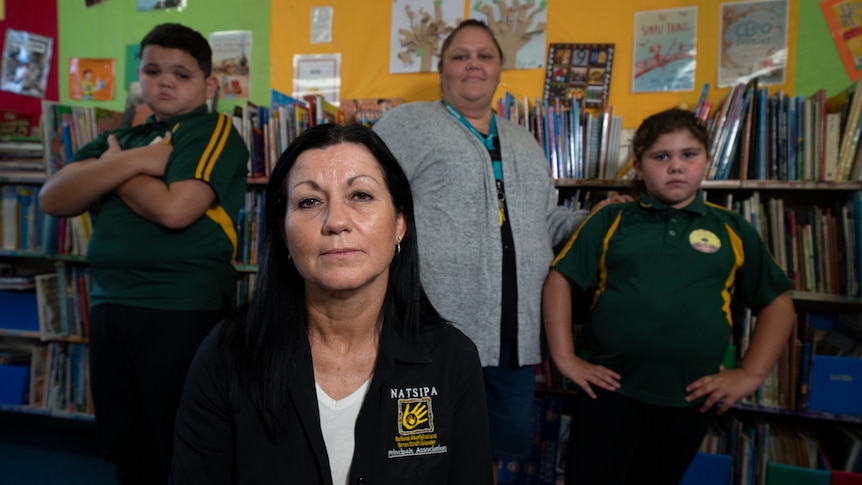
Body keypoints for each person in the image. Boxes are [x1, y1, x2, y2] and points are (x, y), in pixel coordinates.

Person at [169, 123, 492, 484]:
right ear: (283, 232)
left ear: (400, 222)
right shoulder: (226, 355)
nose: (336, 222)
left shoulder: (454, 359)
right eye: (309, 201)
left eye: (361, 196)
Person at [373, 19, 597, 479]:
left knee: (497, 449)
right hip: (432, 328)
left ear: (499, 70)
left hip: (515, 336)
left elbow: (545, 220)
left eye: (484, 56)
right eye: (460, 55)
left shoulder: (525, 141)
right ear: (442, 70)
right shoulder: (408, 124)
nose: (473, 64)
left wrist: (598, 219)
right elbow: (370, 196)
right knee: (420, 449)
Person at [38, 23, 249, 485]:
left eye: (182, 74)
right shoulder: (131, 139)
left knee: (183, 444)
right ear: (140, 77)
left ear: (209, 85)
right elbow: (53, 199)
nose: (165, 81)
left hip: (179, 308)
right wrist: (133, 161)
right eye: (153, 70)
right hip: (110, 304)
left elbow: (176, 210)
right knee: (127, 447)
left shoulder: (210, 129)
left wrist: (109, 172)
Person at [542, 107, 797, 484]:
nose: (675, 166)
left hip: (690, 397)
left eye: (688, 155)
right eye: (661, 157)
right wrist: (564, 357)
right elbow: (559, 280)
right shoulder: (611, 220)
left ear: (707, 161)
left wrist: (750, 373)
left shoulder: (732, 229)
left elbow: (778, 303)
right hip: (609, 391)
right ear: (640, 167)